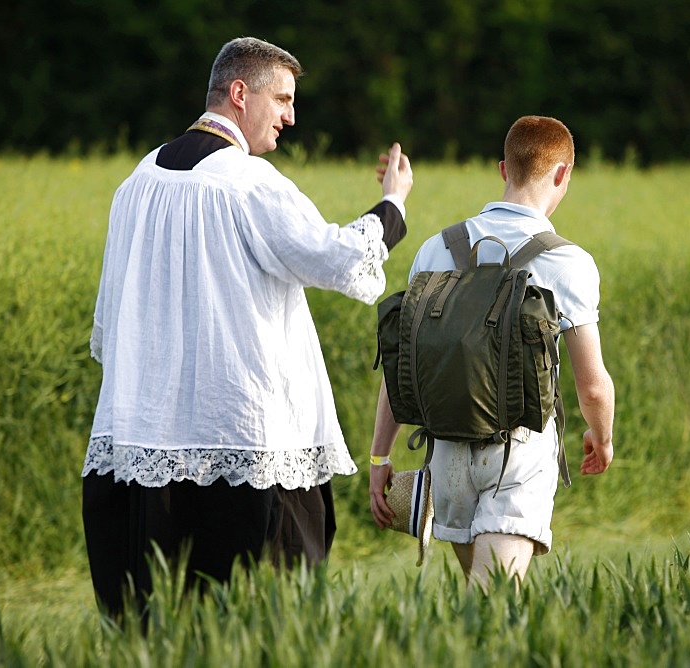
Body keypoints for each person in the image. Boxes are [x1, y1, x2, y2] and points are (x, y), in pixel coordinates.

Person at [81, 36, 413, 618]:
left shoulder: (136, 182)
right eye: (282, 99)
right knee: (261, 626)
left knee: (161, 629)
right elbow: (341, 259)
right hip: (246, 447)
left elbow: (112, 327)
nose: (291, 116)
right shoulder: (248, 182)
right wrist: (393, 205)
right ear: (240, 94)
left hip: (144, 447)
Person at [368, 116, 612, 591]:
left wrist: (380, 458)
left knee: (481, 602)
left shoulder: (435, 249)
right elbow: (593, 385)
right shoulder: (569, 262)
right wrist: (601, 438)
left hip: (447, 454)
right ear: (562, 174)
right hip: (519, 452)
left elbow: (401, 368)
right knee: (494, 603)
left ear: (504, 168)